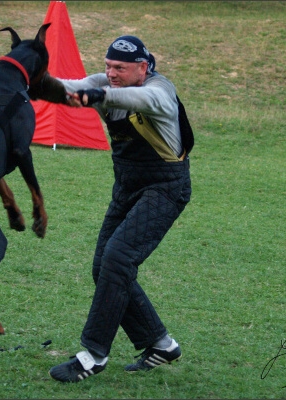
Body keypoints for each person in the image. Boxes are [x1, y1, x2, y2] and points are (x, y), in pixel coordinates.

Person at [49, 35, 193, 383]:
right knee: (104, 267)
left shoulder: (160, 91)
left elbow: (137, 98)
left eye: (120, 68)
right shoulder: (104, 83)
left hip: (165, 188)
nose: (111, 74)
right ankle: (160, 344)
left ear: (143, 68)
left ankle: (94, 355)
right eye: (108, 66)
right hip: (127, 187)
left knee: (118, 258)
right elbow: (66, 88)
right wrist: (20, 80)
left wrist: (98, 95)